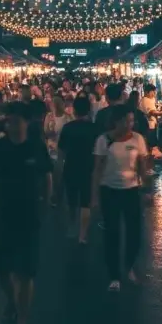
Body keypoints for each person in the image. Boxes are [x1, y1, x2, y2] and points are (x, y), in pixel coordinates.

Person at [0, 102, 53, 324]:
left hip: (29, 215)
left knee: (25, 271)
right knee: (1, 268)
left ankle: (22, 318)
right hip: (1, 214)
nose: (12, 124)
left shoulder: (35, 147)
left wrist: (45, 205)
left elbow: (47, 178)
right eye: (9, 120)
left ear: (26, 122)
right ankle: (11, 300)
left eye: (17, 120)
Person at [92, 104, 147, 292]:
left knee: (135, 233)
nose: (130, 124)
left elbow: (142, 165)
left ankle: (129, 265)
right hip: (110, 191)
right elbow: (97, 169)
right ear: (117, 121)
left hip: (131, 190)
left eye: (132, 120)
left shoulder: (138, 139)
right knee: (112, 233)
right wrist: (94, 196)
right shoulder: (103, 140)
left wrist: (146, 188)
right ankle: (114, 275)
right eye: (127, 120)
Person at [58, 97, 98, 243]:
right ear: (89, 110)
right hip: (88, 168)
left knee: (72, 200)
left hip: (71, 166)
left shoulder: (68, 128)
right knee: (85, 202)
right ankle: (83, 234)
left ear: (74, 110)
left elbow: (61, 151)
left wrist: (60, 167)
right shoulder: (95, 129)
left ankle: (71, 227)